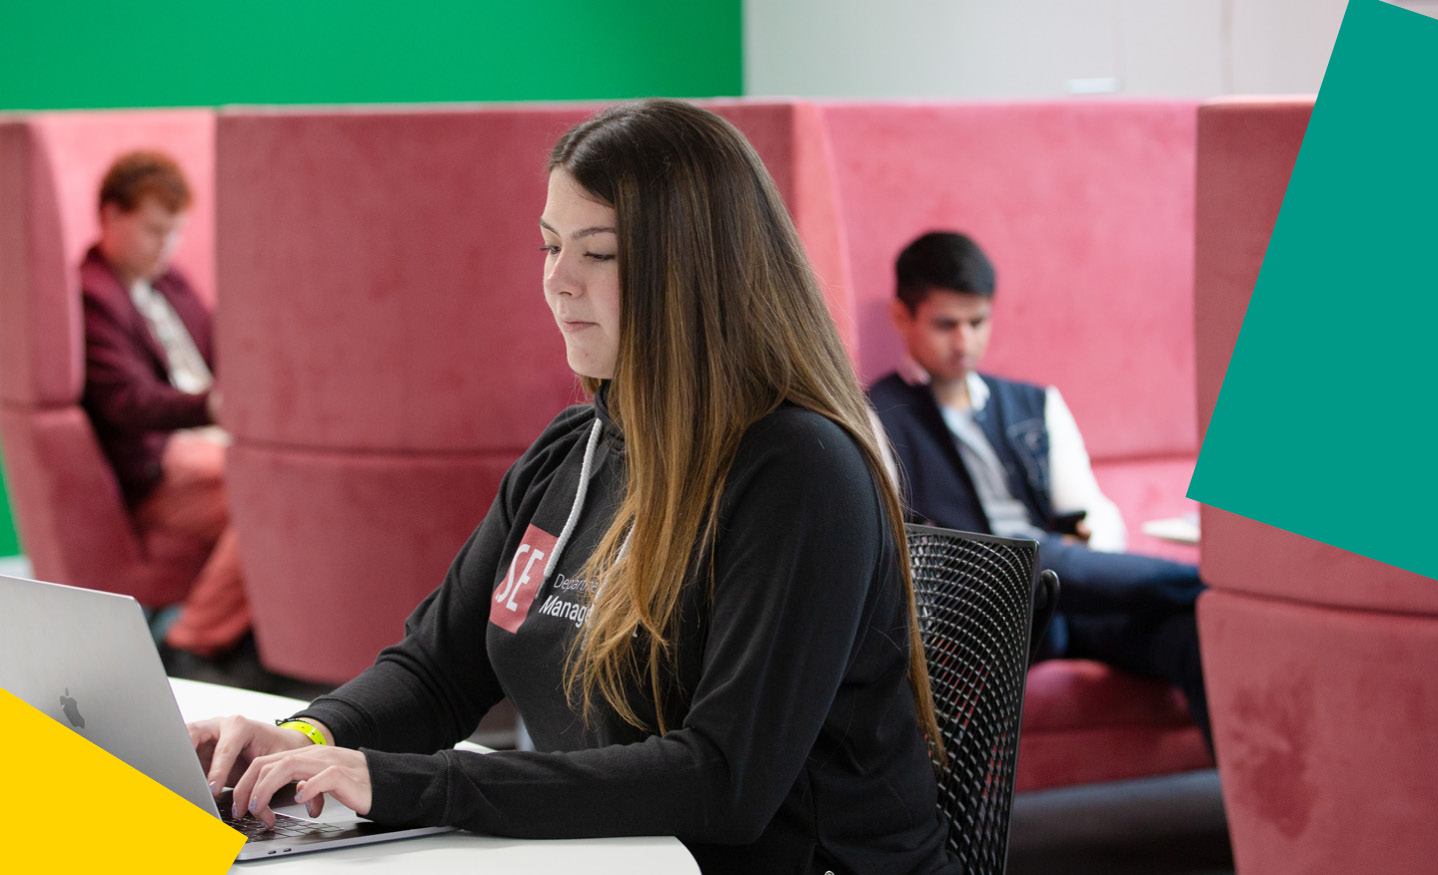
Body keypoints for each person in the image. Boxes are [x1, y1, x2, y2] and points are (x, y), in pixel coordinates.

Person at [188, 101, 960, 875]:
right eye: (550, 245)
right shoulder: (575, 449)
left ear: (696, 269)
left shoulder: (799, 471)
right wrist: (311, 736)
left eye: (599, 253)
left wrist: (404, 782)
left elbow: (722, 780)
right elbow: (436, 670)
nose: (557, 281)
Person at [868, 230, 1211, 746]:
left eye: (977, 322)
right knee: (1029, 558)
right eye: (946, 325)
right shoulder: (876, 415)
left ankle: (1250, 819)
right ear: (902, 317)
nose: (964, 341)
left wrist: (1089, 541)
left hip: (1071, 597)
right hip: (989, 609)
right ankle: (1213, 586)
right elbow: (901, 549)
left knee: (1190, 633)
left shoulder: (1035, 403)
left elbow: (1090, 513)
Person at [81, 151, 252, 668]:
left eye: (175, 232)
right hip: (162, 458)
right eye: (155, 230)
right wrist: (214, 405)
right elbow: (126, 401)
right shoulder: (94, 295)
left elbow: (220, 345)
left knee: (276, 485)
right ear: (111, 216)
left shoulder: (169, 281)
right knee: (265, 493)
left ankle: (233, 638)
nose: (167, 245)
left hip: (210, 439)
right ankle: (189, 643)